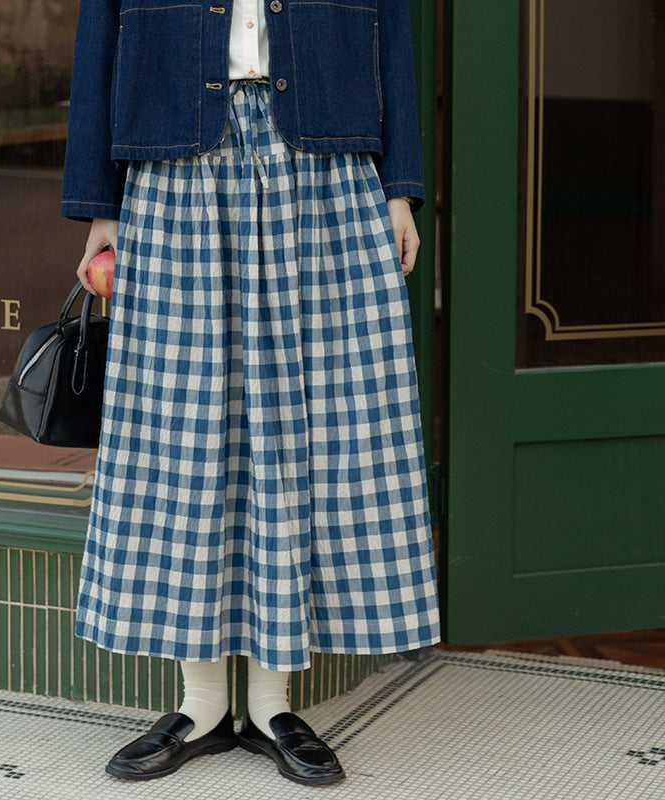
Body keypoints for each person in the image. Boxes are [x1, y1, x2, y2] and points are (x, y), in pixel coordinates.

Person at [61, 0, 441, 786]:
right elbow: (99, 38)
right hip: (173, 169)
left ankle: (273, 702)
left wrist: (399, 186)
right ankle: (199, 702)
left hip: (328, 168)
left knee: (313, 426)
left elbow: (391, 35)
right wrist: (97, 204)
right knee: (183, 430)